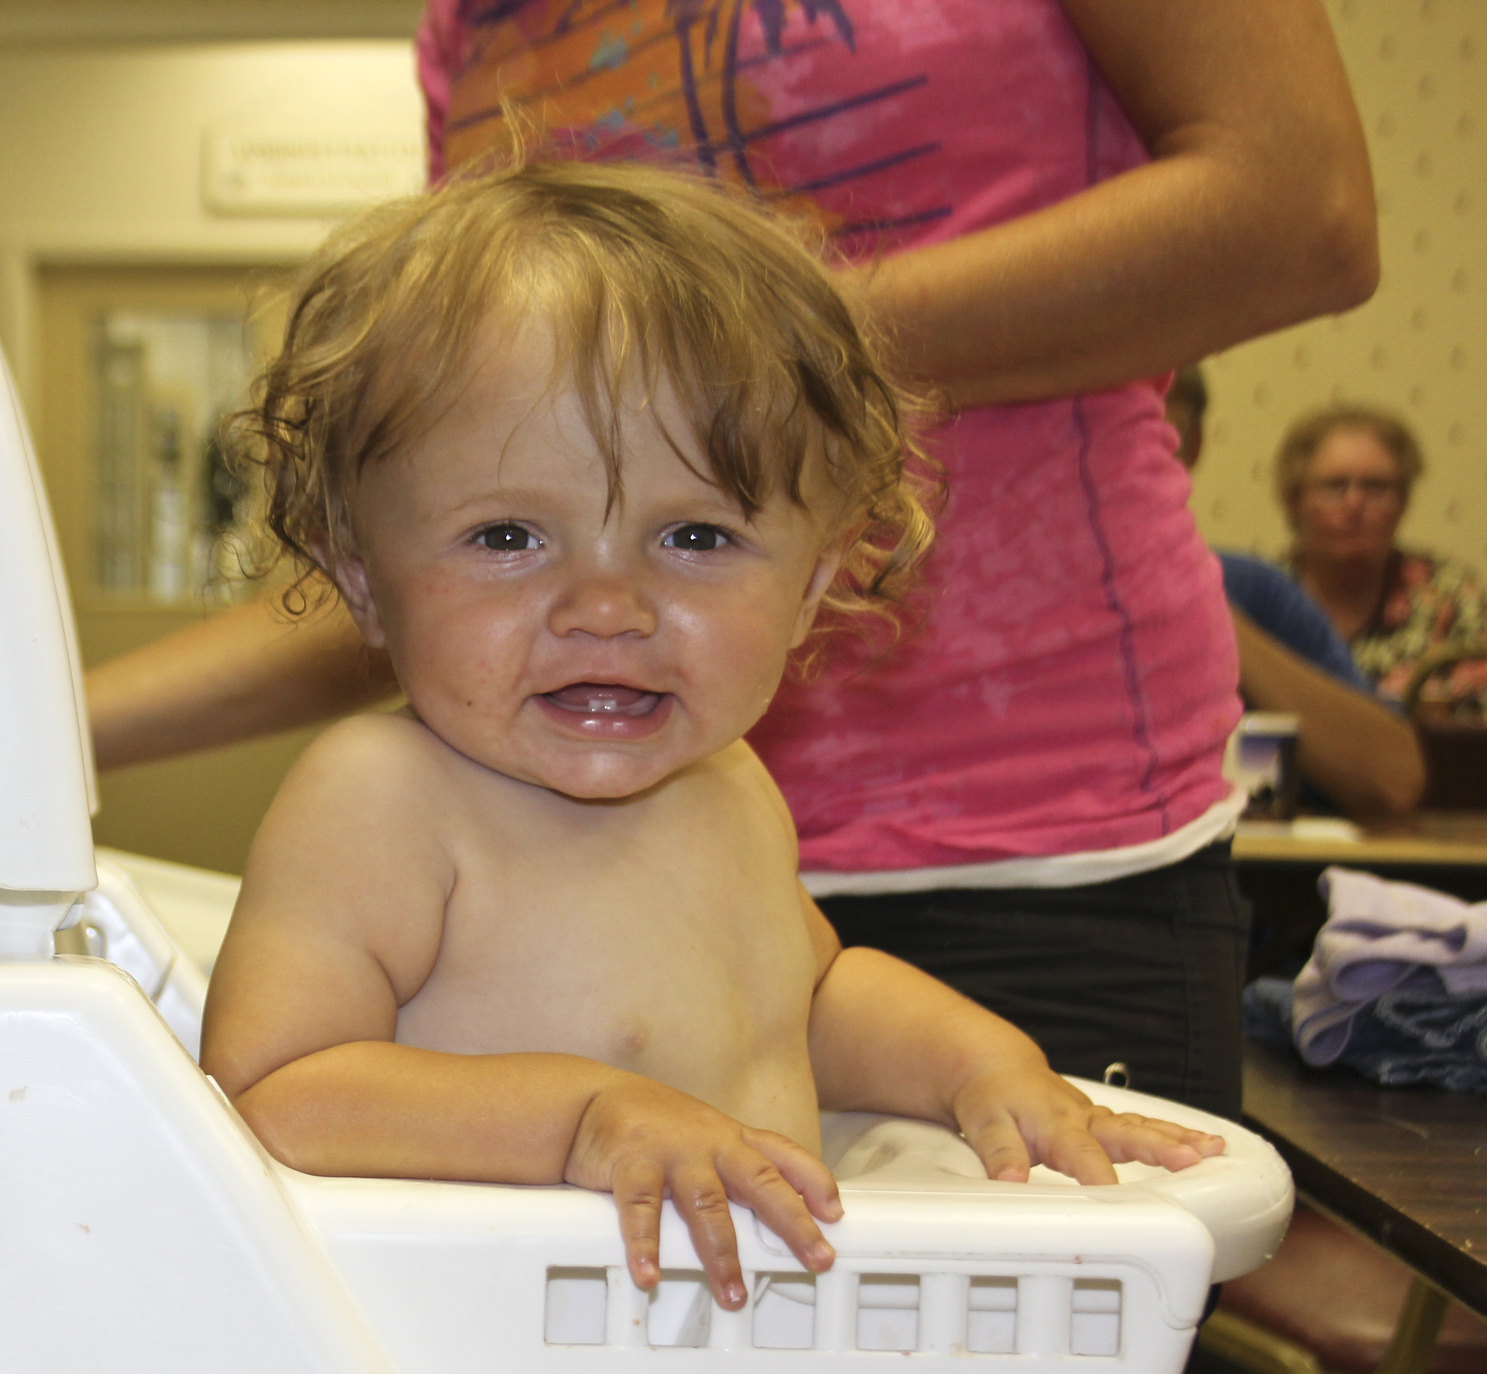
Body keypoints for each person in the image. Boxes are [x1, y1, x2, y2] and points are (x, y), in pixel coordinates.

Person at [200, 162, 1224, 1301]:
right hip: (478, 1366)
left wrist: (982, 1066)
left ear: (810, 586)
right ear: (363, 577)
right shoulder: (382, 797)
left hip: (712, 1357)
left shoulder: (730, 784)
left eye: (693, 538)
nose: (607, 606)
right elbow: (270, 1093)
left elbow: (814, 1001)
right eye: (504, 537)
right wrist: (582, 1116)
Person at [1164, 368, 1424, 818]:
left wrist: (1205, 608)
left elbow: (1392, 779)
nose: (1354, 506)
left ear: (1194, 445)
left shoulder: (1249, 588)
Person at [1278, 406, 1487, 716]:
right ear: (1294, 500)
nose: (1355, 504)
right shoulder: (1259, 601)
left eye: (1376, 487)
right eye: (1335, 486)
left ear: (1403, 502)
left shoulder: (1454, 601)